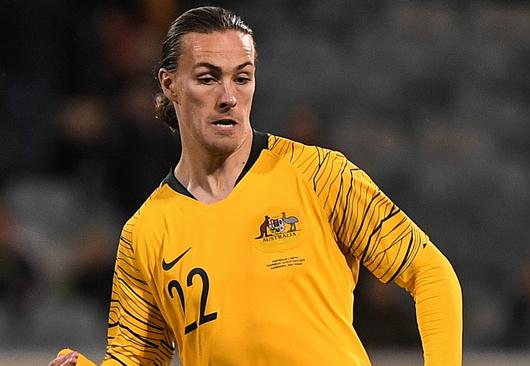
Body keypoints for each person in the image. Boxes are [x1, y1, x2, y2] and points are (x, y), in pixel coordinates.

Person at [50, 6, 462, 365]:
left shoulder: (319, 174)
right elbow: (132, 361)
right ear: (170, 85)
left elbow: (430, 273)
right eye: (209, 78)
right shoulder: (145, 233)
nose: (228, 96)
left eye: (242, 78)